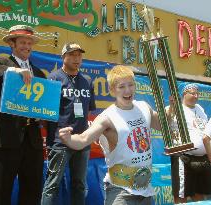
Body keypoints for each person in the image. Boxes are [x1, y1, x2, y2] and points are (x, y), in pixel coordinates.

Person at [59, 65, 162, 205]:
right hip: (121, 191)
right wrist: (69, 139)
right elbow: (83, 139)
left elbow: (161, 125)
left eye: (130, 85)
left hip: (146, 190)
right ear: (112, 90)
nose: (127, 90)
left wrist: (171, 110)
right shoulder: (107, 117)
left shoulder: (144, 107)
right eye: (121, 87)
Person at [0, 25, 45, 205]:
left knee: (32, 192)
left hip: (33, 142)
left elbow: (44, 106)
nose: (27, 46)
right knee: (0, 192)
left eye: (29, 43)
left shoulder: (39, 73)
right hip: (6, 139)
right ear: (11, 44)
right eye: (22, 42)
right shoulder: (1, 61)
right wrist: (15, 71)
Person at [41, 42, 96, 205]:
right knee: (52, 185)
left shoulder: (87, 80)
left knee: (79, 185)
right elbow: (45, 112)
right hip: (59, 142)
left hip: (82, 142)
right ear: (63, 57)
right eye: (72, 54)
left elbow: (89, 111)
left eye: (79, 55)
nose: (76, 58)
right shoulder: (53, 78)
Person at [166, 83, 211, 203]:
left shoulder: (200, 109)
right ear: (184, 94)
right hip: (184, 157)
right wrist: (171, 106)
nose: (196, 96)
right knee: (182, 194)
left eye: (197, 94)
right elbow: (165, 121)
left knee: (199, 192)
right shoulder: (175, 107)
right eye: (193, 93)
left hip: (202, 158)